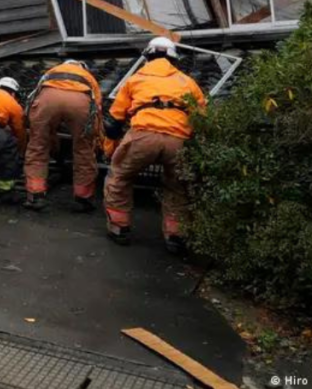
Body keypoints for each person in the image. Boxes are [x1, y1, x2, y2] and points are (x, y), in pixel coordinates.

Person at [103, 37, 207, 251]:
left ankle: (119, 227)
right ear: (173, 59)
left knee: (120, 177)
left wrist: (111, 147)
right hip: (178, 140)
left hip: (143, 135)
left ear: (148, 56)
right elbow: (202, 120)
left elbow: (114, 121)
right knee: (177, 186)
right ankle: (176, 235)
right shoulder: (188, 82)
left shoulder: (135, 79)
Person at [22, 60, 103, 212]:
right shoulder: (87, 76)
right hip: (80, 101)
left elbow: (35, 94)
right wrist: (96, 136)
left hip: (48, 98)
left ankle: (35, 195)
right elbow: (97, 106)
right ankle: (83, 198)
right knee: (83, 149)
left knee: (38, 146)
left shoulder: (52, 71)